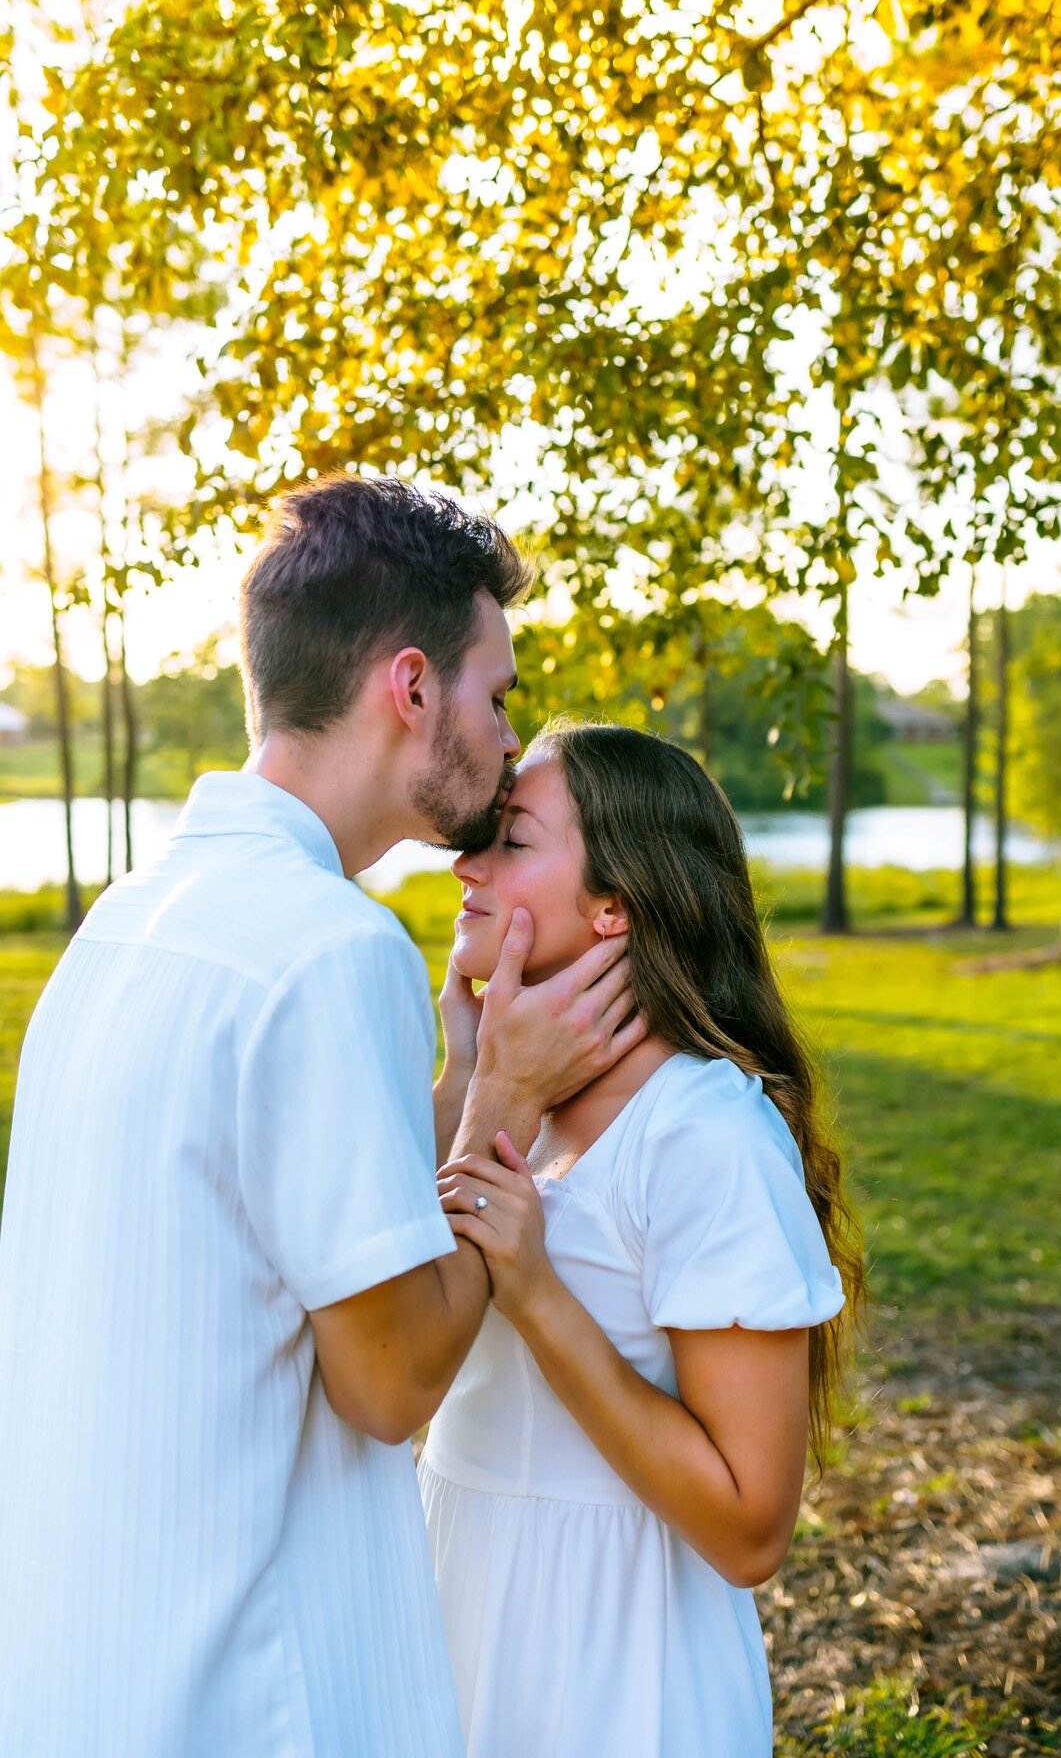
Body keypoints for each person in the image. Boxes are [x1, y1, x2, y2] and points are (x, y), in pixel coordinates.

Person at [0, 477, 645, 1757]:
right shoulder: (329, 951)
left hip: (73, 1674)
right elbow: (392, 1379)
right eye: (498, 692)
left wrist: (463, 1076)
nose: (509, 739)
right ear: (413, 688)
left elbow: (280, 1227)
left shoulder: (123, 926)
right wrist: (508, 1100)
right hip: (246, 1692)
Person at [423, 719, 865, 1758]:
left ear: (615, 906)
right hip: (452, 1606)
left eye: (511, 841)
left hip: (613, 1667)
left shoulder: (706, 1136)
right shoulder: (497, 1103)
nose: (464, 865)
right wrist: (466, 1093)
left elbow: (751, 1527)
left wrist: (535, 1293)